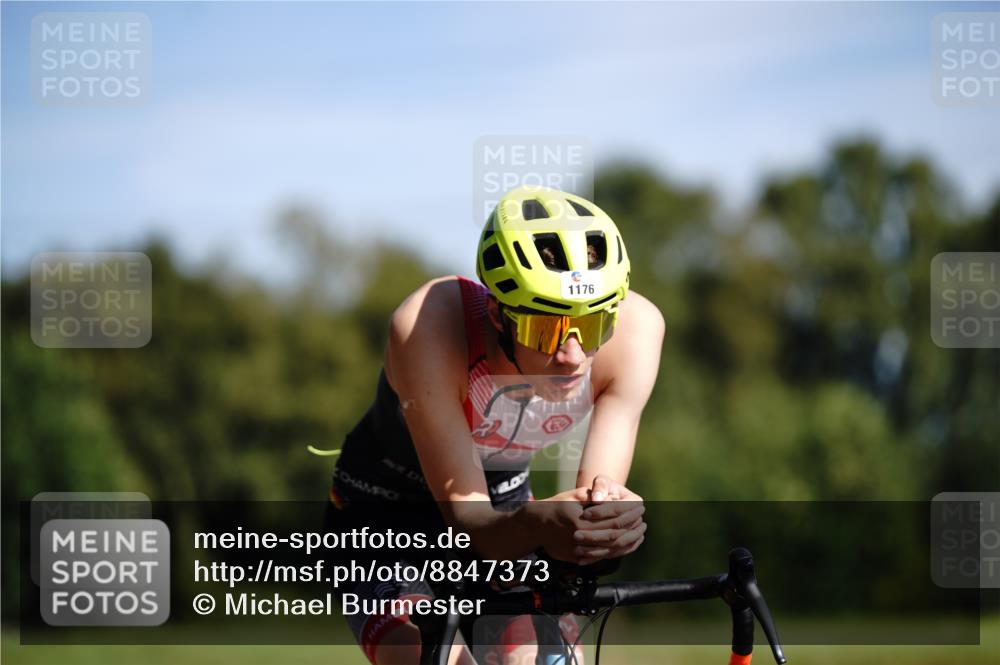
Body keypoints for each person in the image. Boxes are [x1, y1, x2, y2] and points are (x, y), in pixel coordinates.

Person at [325, 185, 664, 664]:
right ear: (499, 313)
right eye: (545, 329)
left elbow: (588, 519)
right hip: (385, 517)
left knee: (543, 660)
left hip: (505, 504)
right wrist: (542, 522)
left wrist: (606, 525)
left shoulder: (636, 332)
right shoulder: (431, 325)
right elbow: (470, 525)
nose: (571, 357)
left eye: (591, 328)